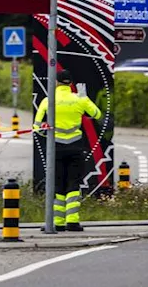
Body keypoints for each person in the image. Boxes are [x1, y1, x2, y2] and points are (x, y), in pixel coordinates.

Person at [34, 69, 102, 232]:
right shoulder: (79, 99)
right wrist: (84, 98)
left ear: (56, 83)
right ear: (71, 84)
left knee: (57, 184)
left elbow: (37, 128)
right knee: (73, 183)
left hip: (55, 148)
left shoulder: (47, 100)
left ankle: (57, 222)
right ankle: (72, 221)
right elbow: (97, 114)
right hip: (75, 147)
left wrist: (45, 129)